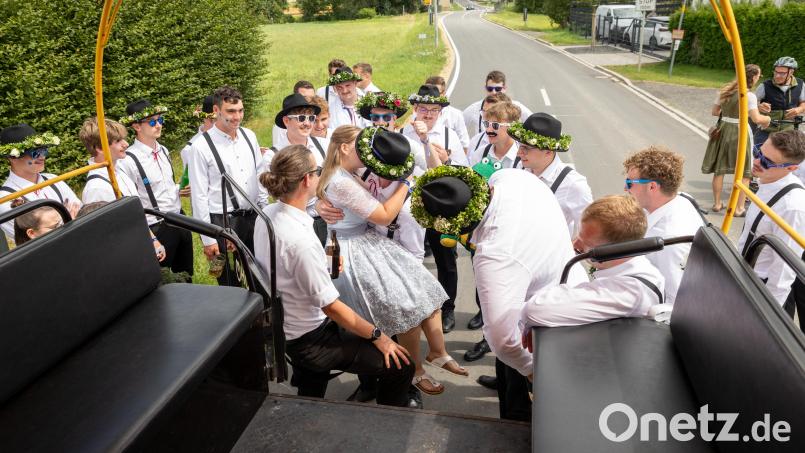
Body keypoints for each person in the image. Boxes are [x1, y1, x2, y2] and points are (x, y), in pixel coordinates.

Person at [412, 167, 586, 421]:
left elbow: (503, 339)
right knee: (507, 376)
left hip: (545, 328)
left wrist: (533, 372)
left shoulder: (496, 253)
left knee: (521, 412)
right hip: (558, 288)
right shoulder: (514, 178)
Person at [254, 145, 414, 407]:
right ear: (307, 179)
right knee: (401, 365)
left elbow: (285, 269)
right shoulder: (300, 241)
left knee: (316, 378)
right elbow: (332, 308)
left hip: (287, 325)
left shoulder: (268, 214)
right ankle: (390, 422)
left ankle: (309, 405)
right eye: (317, 171)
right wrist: (380, 338)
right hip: (310, 339)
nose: (321, 175)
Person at [318, 126, 462, 407]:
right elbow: (382, 215)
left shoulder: (353, 173)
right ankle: (389, 381)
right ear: (346, 148)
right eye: (361, 145)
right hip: (352, 249)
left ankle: (419, 368)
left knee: (411, 305)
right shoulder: (346, 177)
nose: (368, 153)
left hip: (390, 249)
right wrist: (319, 204)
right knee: (379, 315)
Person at [520, 195, 664, 327]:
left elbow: (534, 310)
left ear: (614, 251)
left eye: (585, 243)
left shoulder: (630, 291)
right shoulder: (633, 266)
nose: (574, 245)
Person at [188, 86, 263, 286]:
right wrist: (208, 239)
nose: (237, 117)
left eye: (240, 110)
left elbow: (259, 173)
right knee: (231, 281)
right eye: (231, 111)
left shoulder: (249, 136)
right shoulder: (201, 146)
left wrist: (264, 211)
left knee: (261, 276)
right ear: (216, 110)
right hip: (223, 221)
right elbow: (199, 196)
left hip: (253, 216)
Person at [117, 99, 193, 276]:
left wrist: (178, 189)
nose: (158, 125)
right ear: (136, 126)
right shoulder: (128, 160)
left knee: (187, 274)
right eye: (152, 122)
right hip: (158, 226)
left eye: (160, 120)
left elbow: (162, 186)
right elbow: (131, 200)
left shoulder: (164, 150)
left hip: (180, 218)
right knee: (163, 280)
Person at [623, 146, 705, 306]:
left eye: (629, 183)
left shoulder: (669, 240)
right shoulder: (681, 198)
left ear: (652, 187)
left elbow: (674, 302)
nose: (625, 188)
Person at [738, 130, 805, 310]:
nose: (758, 161)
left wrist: (768, 311)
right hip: (744, 275)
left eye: (768, 161)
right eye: (759, 151)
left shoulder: (793, 206)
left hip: (761, 289)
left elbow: (784, 270)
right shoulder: (767, 181)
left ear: (791, 168)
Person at [703, 64, 770, 215]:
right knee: (744, 172)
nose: (759, 78)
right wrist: (768, 119)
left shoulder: (725, 91)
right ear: (753, 77)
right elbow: (756, 118)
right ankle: (739, 208)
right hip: (739, 131)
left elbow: (715, 111)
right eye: (758, 76)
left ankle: (717, 203)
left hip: (723, 129)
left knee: (719, 170)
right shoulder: (749, 96)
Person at [512, 113, 593, 237]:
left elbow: (590, 230)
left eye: (526, 148)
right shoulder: (519, 167)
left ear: (548, 152)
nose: (519, 153)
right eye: (519, 146)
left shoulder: (574, 184)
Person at [266, 93, 330, 245]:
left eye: (311, 118)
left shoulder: (324, 145)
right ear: (286, 120)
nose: (307, 123)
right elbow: (266, 198)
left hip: (324, 221)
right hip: (292, 225)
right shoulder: (273, 155)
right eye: (301, 118)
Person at [0, 123, 80, 245]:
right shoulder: (5, 199)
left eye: (44, 150)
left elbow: (80, 212)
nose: (42, 156)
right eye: (34, 152)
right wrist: (69, 220)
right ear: (12, 158)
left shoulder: (53, 179)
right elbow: (33, 241)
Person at [79, 117, 140, 203]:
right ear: (100, 148)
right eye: (118, 141)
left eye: (123, 139)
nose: (126, 144)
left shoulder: (119, 170)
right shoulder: (97, 188)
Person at [462, 70, 533, 136]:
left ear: (504, 88)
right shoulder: (475, 108)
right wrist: (465, 145)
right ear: (485, 88)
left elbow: (533, 122)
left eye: (498, 89)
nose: (494, 92)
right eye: (490, 89)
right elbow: (458, 125)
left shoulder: (515, 107)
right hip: (483, 148)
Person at [756, 57, 804, 146]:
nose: (777, 76)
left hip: (789, 132)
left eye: (782, 73)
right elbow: (751, 103)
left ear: (791, 72)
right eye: (776, 72)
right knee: (759, 156)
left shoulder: (800, 84)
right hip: (766, 131)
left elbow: (803, 102)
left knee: (787, 158)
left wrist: (799, 109)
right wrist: (759, 106)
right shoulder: (765, 86)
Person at [425, 75, 470, 152]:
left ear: (443, 94)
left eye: (436, 93)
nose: (431, 97)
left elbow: (465, 145)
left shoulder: (456, 115)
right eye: (428, 93)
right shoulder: (418, 114)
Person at [273, 80, 316, 149]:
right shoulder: (280, 128)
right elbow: (279, 149)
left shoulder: (314, 119)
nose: (308, 101)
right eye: (304, 98)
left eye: (312, 98)